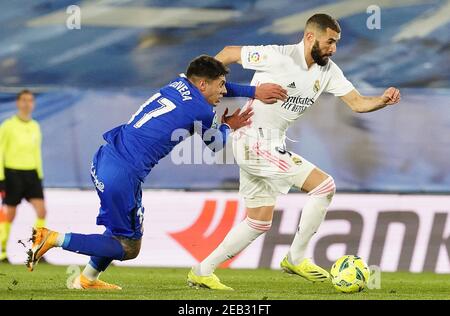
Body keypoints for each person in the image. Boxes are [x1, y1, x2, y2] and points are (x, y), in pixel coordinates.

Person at [26, 55, 287, 290]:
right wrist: (229, 126)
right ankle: (54, 238)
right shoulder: (201, 110)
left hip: (108, 157)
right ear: (203, 85)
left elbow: (216, 91)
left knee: (122, 229)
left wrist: (252, 91)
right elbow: (217, 145)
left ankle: (87, 280)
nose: (223, 91)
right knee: (128, 248)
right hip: (122, 175)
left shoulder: (180, 83)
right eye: (220, 85)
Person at [189, 13, 401, 290]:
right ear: (310, 36)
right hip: (254, 141)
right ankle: (296, 257)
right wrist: (196, 89)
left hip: (269, 143)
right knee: (324, 186)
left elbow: (358, 103)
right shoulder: (278, 56)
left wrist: (383, 101)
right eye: (330, 42)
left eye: (336, 43)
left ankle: (202, 270)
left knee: (258, 221)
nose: (333, 48)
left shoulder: (328, 71)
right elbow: (229, 53)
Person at [0, 90, 47, 263]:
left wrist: (39, 175)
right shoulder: (8, 125)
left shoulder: (35, 125)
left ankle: (37, 250)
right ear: (18, 103)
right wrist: (1, 178)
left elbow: (37, 152)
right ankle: (2, 252)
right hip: (12, 173)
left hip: (32, 175)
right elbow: (0, 151)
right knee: (9, 214)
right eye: (24, 100)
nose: (27, 103)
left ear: (33, 104)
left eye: (30, 100)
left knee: (42, 210)